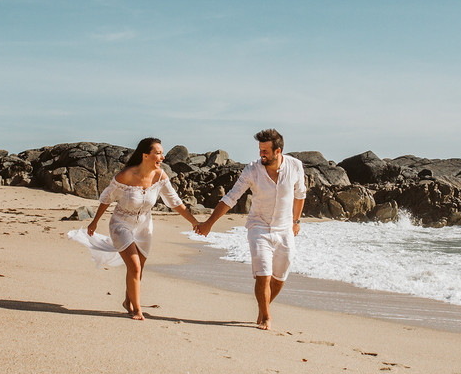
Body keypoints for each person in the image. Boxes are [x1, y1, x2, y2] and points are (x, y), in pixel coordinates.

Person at [67, 138, 201, 320]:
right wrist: (95, 221)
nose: (162, 156)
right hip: (121, 224)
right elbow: (107, 198)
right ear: (145, 155)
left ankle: (127, 301)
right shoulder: (126, 176)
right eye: (158, 153)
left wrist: (194, 222)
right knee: (135, 266)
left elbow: (175, 203)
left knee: (139, 268)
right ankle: (137, 310)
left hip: (144, 227)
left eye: (162, 153)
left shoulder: (160, 176)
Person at [196, 128, 306, 330]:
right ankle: (266, 317)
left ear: (278, 151)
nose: (261, 154)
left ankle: (263, 307)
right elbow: (231, 197)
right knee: (263, 273)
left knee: (279, 277)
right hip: (259, 227)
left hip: (284, 229)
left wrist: (296, 221)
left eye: (265, 151)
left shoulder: (295, 166)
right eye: (260, 150)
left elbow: (300, 195)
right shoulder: (252, 170)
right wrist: (209, 223)